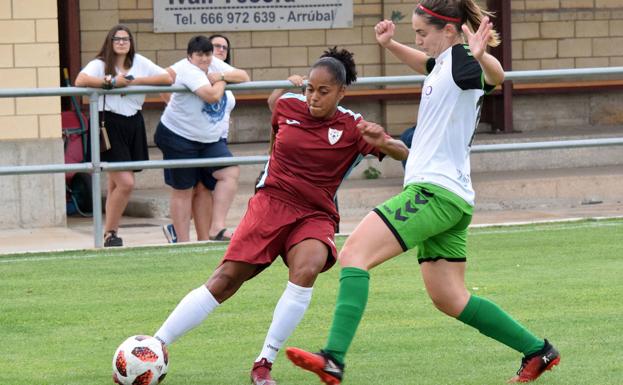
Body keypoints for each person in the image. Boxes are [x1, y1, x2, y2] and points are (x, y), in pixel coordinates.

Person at [286, 2, 560, 384]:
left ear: (448, 31)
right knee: (450, 298)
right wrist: (392, 45)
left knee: (353, 255)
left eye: (421, 33)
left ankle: (333, 358)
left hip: (435, 192)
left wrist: (483, 58)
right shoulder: (445, 63)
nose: (417, 39)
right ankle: (538, 351)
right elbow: (428, 67)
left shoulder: (464, 59)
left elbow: (494, 76)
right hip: (453, 197)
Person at [152, 47, 409, 385]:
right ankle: (155, 344)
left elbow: (404, 153)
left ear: (342, 92)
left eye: (323, 91)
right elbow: (275, 129)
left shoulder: (353, 127)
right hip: (271, 203)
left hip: (315, 213)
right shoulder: (288, 106)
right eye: (309, 89)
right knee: (226, 279)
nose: (313, 98)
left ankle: (263, 363)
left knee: (307, 268)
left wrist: (387, 144)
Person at [75, 24, 172, 247]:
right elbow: (81, 80)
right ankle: (110, 231)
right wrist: (110, 82)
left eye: (125, 39)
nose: (121, 43)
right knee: (126, 183)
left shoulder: (140, 62)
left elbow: (166, 78)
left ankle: (111, 233)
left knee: (115, 184)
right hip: (108, 123)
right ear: (110, 42)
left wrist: (136, 81)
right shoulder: (100, 64)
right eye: (117, 39)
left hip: (134, 121)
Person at [155, 35, 249, 243]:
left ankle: (214, 229)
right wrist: (223, 80)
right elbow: (212, 96)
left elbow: (244, 77)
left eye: (208, 54)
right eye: (200, 55)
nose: (205, 59)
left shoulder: (215, 64)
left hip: (209, 139)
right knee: (184, 189)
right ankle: (181, 241)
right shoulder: (187, 69)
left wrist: (221, 74)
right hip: (178, 136)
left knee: (227, 173)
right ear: (190, 56)